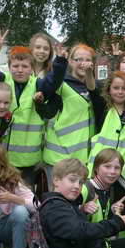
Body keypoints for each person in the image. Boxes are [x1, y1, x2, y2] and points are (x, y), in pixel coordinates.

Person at [0, 28, 67, 184]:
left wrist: (59, 61)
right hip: (3, 157)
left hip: (30, 160)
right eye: (16, 66)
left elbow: (54, 81)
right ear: (9, 67)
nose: (20, 70)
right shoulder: (2, 80)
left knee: (25, 196)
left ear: (31, 68)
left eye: (25, 67)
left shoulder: (38, 84)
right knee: (2, 194)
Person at [42, 44, 98, 185]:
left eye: (87, 60)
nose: (83, 63)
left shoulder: (94, 88)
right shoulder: (61, 84)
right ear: (71, 62)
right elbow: (49, 84)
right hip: (59, 158)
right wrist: (59, 61)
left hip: (83, 159)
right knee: (57, 197)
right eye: (78, 59)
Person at [87, 71, 125, 172]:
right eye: (116, 88)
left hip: (124, 167)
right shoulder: (103, 106)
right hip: (101, 165)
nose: (120, 92)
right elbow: (92, 89)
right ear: (109, 89)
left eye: (124, 89)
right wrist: (88, 71)